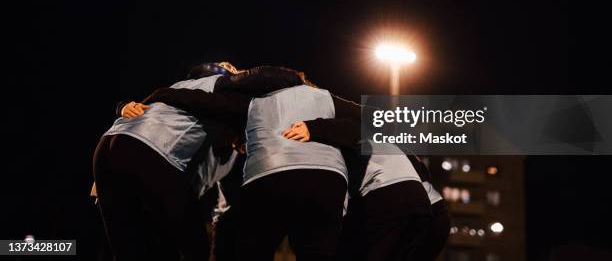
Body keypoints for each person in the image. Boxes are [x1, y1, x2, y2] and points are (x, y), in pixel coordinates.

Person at [94, 63, 304, 260]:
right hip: (148, 151)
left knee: (131, 248)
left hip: (108, 148)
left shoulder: (181, 96)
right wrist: (300, 83)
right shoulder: (214, 87)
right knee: (193, 246)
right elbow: (261, 78)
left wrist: (123, 107)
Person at [282, 96, 449, 261]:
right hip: (427, 210)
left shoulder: (360, 136)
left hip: (391, 197)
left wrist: (312, 128)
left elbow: (348, 128)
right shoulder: (394, 147)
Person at [238, 84, 349, 261]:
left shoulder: (254, 97)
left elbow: (209, 106)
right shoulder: (325, 96)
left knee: (251, 248)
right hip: (327, 176)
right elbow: (373, 118)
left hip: (269, 171)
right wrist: (318, 128)